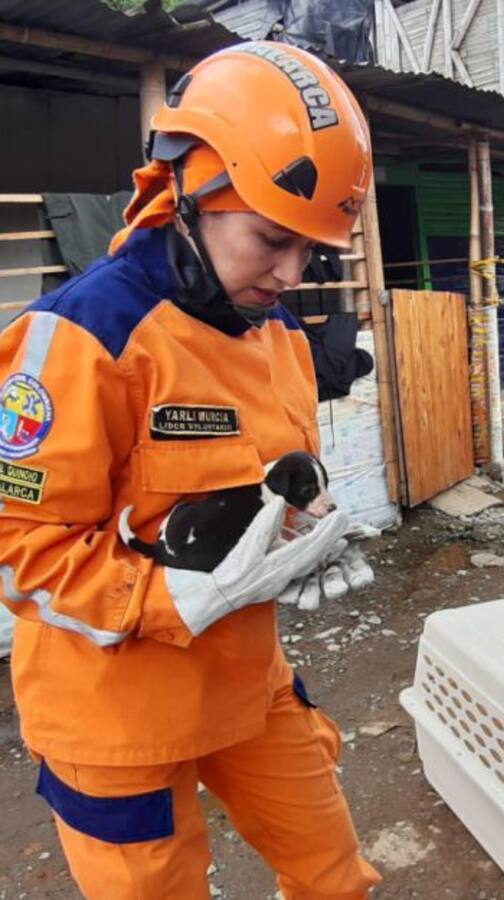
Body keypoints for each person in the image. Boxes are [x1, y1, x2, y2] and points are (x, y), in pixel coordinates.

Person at [0, 43, 382, 898]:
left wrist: (307, 524)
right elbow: (17, 543)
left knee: (335, 877)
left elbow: (275, 474)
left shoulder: (270, 330)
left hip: (246, 687)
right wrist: (171, 597)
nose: (290, 274)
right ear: (188, 192)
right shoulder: (80, 337)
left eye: (311, 250)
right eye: (272, 240)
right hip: (115, 716)